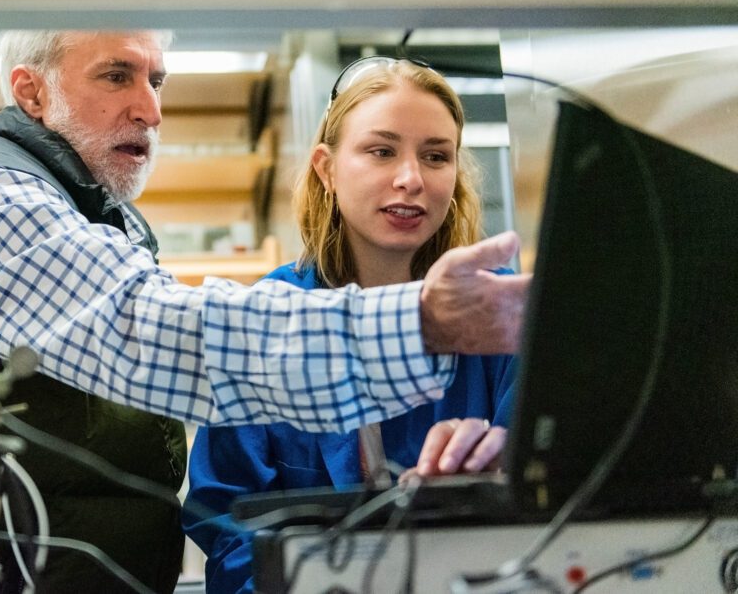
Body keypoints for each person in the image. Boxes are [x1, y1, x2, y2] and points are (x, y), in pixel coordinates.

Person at [0, 32, 528, 593]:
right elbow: (159, 334)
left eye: (157, 80)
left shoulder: (102, 222)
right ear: (31, 91)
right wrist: (421, 325)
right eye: (117, 75)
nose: (152, 108)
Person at [182, 57, 517, 594]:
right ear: (327, 168)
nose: (410, 179)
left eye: (436, 156)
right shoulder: (269, 317)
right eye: (381, 151)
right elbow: (226, 521)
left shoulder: (497, 313)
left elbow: (552, 498)